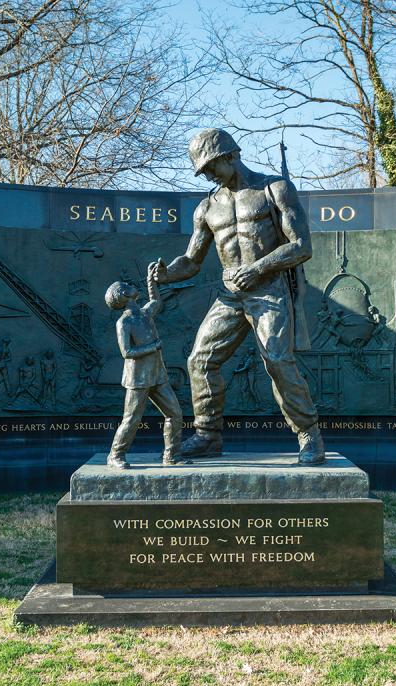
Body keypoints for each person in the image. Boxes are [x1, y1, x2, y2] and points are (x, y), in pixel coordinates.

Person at [151, 128, 325, 465]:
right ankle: (207, 436)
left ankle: (309, 434)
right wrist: (167, 272)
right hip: (230, 296)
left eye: (212, 166)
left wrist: (259, 268)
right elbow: (191, 261)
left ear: (231, 155)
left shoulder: (274, 189)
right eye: (204, 171)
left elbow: (302, 245)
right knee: (199, 361)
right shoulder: (206, 208)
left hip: (268, 291)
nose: (210, 175)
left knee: (276, 359)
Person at [104, 263, 184, 469]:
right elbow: (127, 353)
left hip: (158, 375)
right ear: (124, 294)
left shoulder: (146, 313)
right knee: (131, 419)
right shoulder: (124, 322)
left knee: (175, 414)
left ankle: (171, 455)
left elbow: (156, 300)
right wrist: (153, 346)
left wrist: (151, 279)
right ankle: (115, 455)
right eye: (127, 285)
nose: (132, 285)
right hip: (137, 378)